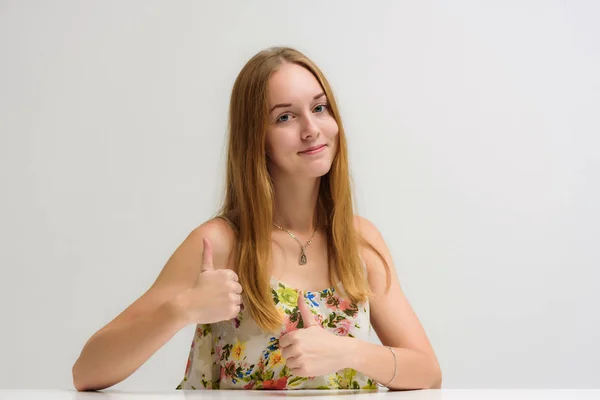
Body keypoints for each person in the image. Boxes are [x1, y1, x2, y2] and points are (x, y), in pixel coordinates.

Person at [72, 46, 442, 391]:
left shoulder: (359, 240)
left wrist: (347, 352)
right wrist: (182, 309)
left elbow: (428, 372)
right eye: (285, 117)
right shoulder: (220, 243)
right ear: (256, 139)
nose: (311, 128)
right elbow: (87, 372)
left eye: (319, 108)